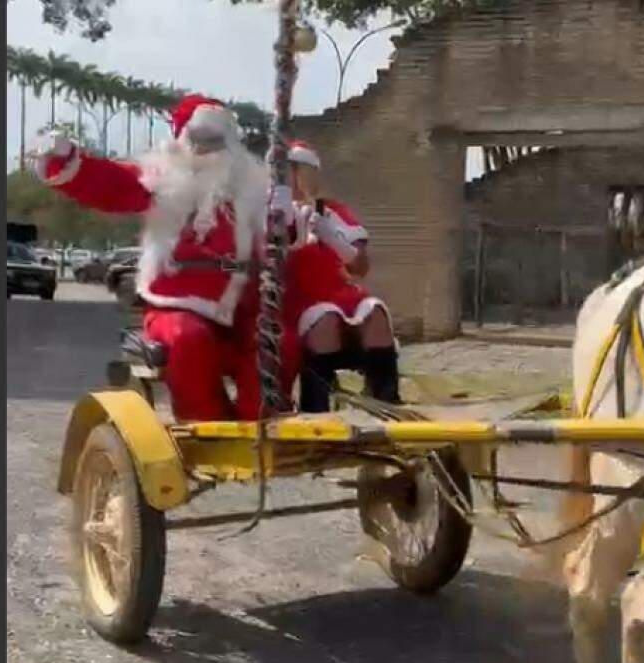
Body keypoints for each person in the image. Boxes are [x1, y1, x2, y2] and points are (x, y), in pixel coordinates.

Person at [34, 94, 301, 421]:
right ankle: (207, 429)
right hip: (174, 306)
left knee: (280, 341)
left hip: (241, 310)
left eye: (216, 142)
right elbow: (111, 185)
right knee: (189, 341)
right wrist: (67, 160)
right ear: (180, 141)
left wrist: (284, 219)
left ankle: (259, 424)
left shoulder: (252, 189)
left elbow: (281, 243)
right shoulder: (161, 182)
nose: (208, 151)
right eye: (199, 141)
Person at [283, 140, 401, 413]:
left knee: (375, 314)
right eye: (294, 170)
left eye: (305, 170)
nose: (300, 178)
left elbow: (360, 267)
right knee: (325, 320)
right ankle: (316, 408)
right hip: (298, 297)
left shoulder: (331, 212)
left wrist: (333, 239)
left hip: (340, 292)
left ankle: (384, 402)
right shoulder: (273, 212)